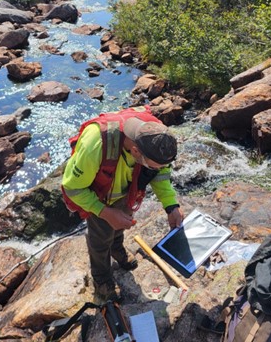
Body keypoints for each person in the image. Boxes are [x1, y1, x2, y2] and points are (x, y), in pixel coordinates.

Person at [62, 108, 184, 302]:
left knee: (121, 223)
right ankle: (102, 278)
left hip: (127, 189)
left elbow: (160, 174)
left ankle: (117, 248)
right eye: (152, 166)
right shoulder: (96, 143)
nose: (158, 170)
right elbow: (72, 188)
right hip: (98, 196)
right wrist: (105, 212)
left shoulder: (158, 138)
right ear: (135, 151)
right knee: (100, 240)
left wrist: (171, 206)